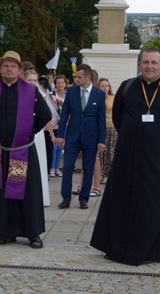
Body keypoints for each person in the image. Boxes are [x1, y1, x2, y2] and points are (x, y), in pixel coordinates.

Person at [90, 49, 160, 265]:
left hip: (158, 159)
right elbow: (118, 118)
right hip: (128, 156)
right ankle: (117, 246)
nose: (149, 67)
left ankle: (155, 250)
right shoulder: (128, 87)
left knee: (155, 203)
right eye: (145, 62)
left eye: (154, 63)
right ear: (140, 64)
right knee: (122, 200)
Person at [0, 50, 52, 248]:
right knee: (1, 193)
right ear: (0, 69)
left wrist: (28, 132)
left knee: (28, 194)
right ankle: (5, 232)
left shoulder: (30, 90)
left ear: (20, 69)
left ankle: (33, 234)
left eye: (13, 66)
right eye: (5, 66)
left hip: (23, 150)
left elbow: (44, 115)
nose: (9, 69)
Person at [55, 64, 106, 210]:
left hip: (91, 137)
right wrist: (60, 135)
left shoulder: (99, 94)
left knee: (88, 168)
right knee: (68, 167)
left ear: (88, 77)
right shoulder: (71, 92)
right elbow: (64, 114)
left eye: (79, 77)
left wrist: (101, 140)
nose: (76, 79)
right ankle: (66, 198)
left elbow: (101, 119)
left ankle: (84, 199)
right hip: (72, 136)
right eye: (75, 76)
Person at [23, 70, 51, 206]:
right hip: (25, 131)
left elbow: (46, 116)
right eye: (30, 80)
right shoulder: (21, 94)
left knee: (38, 161)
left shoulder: (40, 95)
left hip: (36, 130)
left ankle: (40, 196)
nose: (33, 83)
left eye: (35, 80)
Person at [98, 78, 117, 184]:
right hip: (100, 128)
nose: (105, 88)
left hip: (111, 128)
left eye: (107, 85)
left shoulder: (113, 98)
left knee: (110, 152)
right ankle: (99, 174)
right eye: (102, 86)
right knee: (100, 153)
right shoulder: (96, 97)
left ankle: (109, 175)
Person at [49, 75, 69, 177]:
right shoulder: (51, 95)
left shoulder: (68, 95)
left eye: (62, 82)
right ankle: (52, 167)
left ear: (66, 84)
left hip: (65, 124)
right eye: (58, 82)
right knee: (54, 147)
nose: (60, 84)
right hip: (54, 124)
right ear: (55, 84)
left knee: (61, 146)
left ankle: (57, 168)